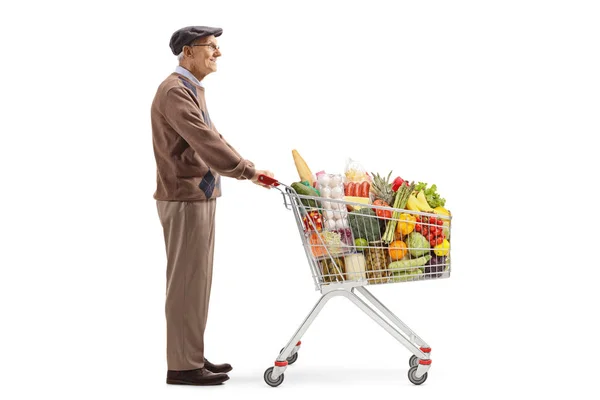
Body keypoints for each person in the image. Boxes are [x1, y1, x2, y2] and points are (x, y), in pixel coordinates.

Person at [151, 26, 274, 386]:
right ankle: (183, 366)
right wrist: (246, 172)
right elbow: (203, 141)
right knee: (186, 283)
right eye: (211, 47)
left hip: (199, 194)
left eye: (217, 47)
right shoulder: (175, 91)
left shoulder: (190, 89)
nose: (217, 53)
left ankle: (190, 355)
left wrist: (248, 167)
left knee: (196, 282)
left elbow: (213, 135)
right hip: (185, 197)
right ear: (187, 52)